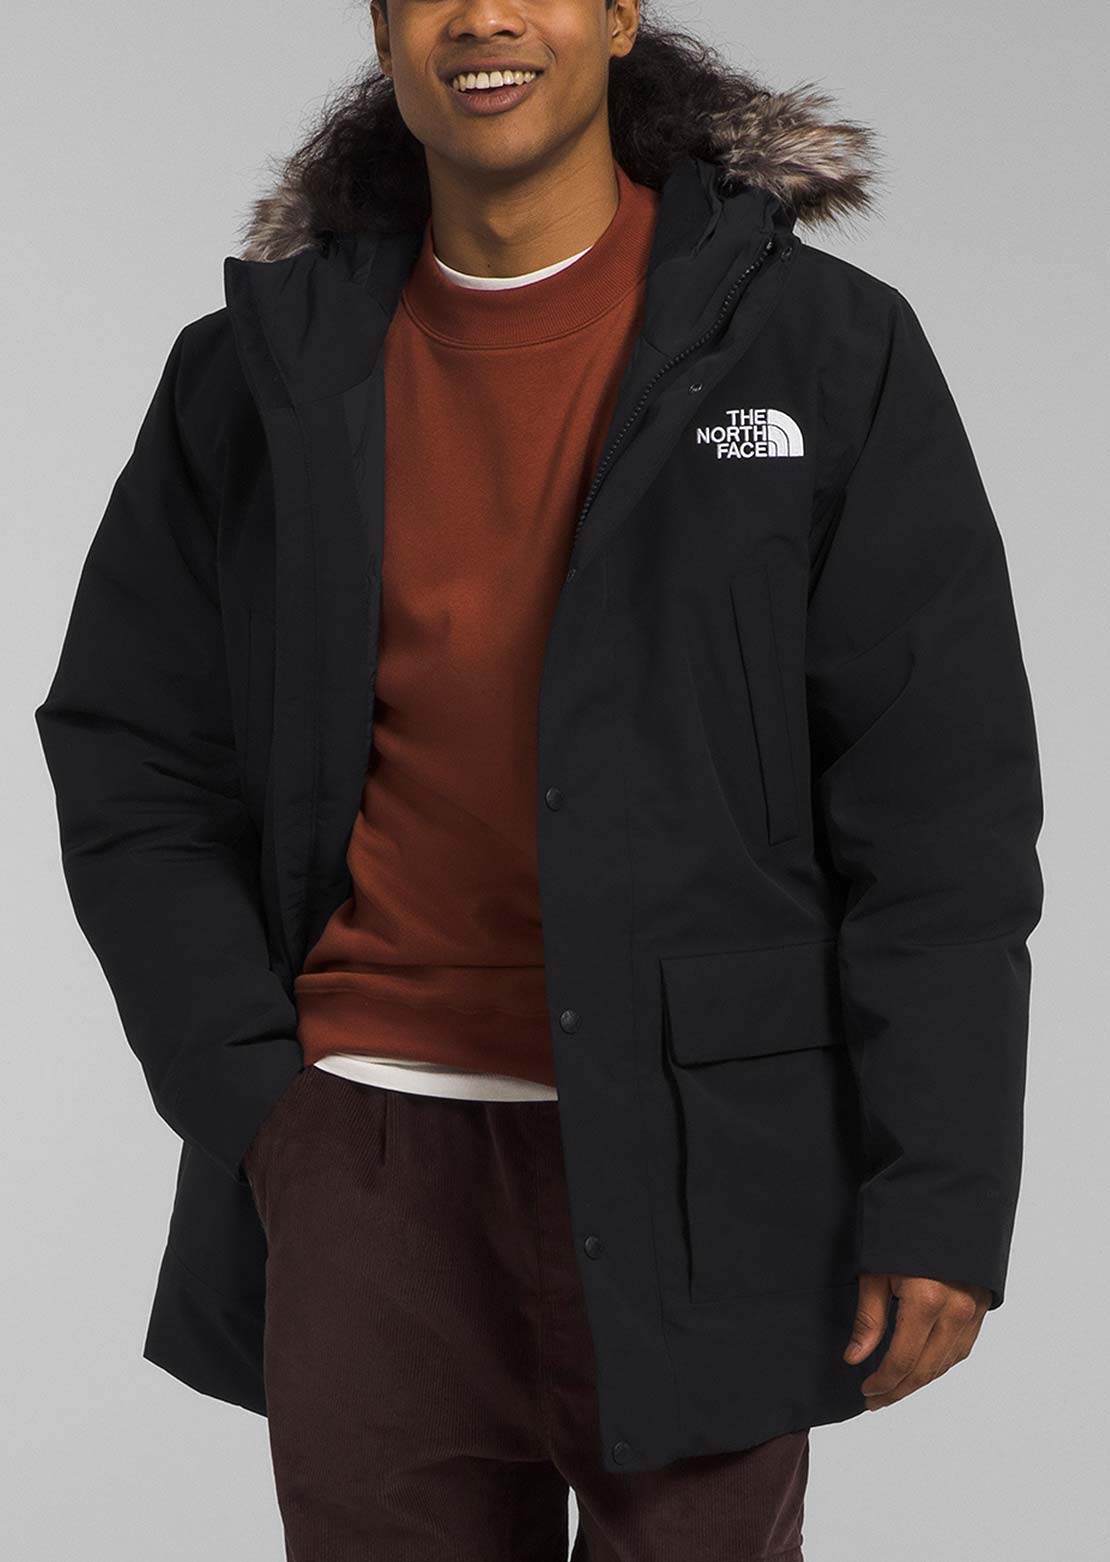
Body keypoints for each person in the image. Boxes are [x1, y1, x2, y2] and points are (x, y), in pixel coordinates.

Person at [34, 1, 1044, 1556]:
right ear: (384, 30)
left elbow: (939, 807)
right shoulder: (252, 374)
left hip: (713, 1162)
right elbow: (132, 747)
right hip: (365, 1155)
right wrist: (251, 1094)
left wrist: (939, 1192)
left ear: (619, 14)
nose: (487, 15)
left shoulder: (821, 349)